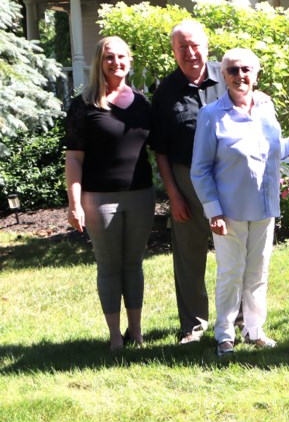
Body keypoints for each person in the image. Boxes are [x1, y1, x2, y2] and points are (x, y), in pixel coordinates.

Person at [191, 48, 289, 358]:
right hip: (229, 212)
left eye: (246, 70)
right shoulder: (211, 114)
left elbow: (274, 151)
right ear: (224, 76)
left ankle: (254, 330)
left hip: (264, 208)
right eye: (233, 70)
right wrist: (213, 210)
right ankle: (224, 334)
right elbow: (199, 169)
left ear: (255, 74)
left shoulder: (266, 109)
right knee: (231, 273)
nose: (241, 75)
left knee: (258, 272)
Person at [65, 37, 154, 351]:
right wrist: (74, 203)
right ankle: (115, 337)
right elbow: (74, 158)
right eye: (108, 57)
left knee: (134, 264)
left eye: (121, 56)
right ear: (99, 62)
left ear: (130, 59)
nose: (116, 62)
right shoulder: (84, 105)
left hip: (141, 195)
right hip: (98, 198)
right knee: (109, 265)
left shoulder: (143, 103)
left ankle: (137, 333)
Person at [150, 19, 226, 344]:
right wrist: (173, 195)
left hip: (228, 177)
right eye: (183, 47)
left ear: (207, 46)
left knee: (234, 253)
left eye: (195, 45)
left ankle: (235, 320)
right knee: (189, 257)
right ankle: (193, 326)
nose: (191, 53)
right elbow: (161, 151)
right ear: (174, 51)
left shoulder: (227, 75)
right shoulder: (166, 92)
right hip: (186, 180)